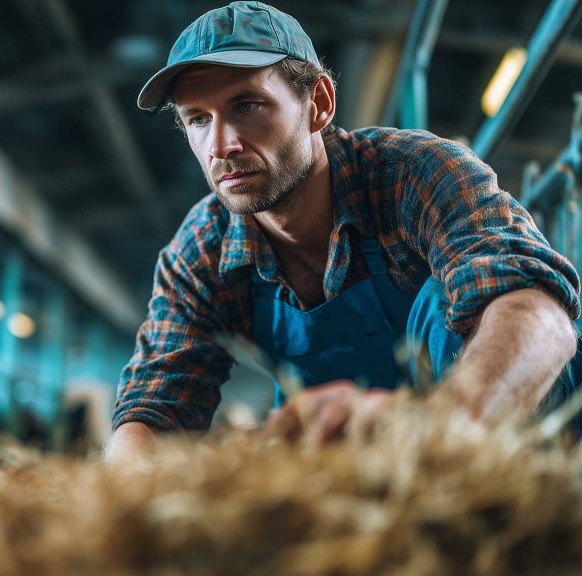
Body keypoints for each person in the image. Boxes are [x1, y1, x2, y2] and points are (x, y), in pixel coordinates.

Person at [105, 1, 582, 464]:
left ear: (319, 104)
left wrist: (447, 432)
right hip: (353, 483)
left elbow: (535, 310)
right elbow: (153, 407)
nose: (221, 146)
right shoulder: (203, 249)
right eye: (198, 119)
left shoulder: (415, 173)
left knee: (452, 299)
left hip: (495, 450)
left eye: (247, 105)